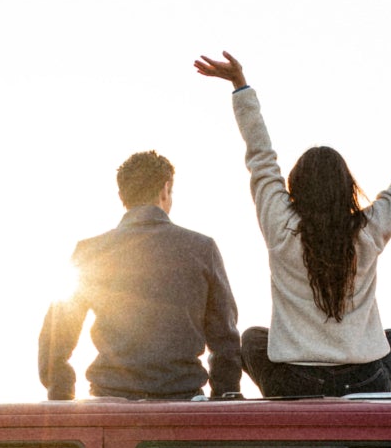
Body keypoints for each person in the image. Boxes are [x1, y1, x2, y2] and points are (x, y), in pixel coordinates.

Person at [193, 50, 391, 397]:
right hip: (365, 383)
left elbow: (261, 157)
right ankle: (372, 397)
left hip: (294, 384)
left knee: (253, 340)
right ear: (347, 188)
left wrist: (240, 85)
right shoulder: (369, 229)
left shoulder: (281, 227)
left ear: (295, 188)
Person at [38, 150, 242, 402]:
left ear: (122, 195)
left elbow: (56, 335)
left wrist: (62, 395)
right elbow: (225, 338)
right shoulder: (201, 248)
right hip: (182, 402)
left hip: (110, 401)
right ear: (165, 190)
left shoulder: (89, 251)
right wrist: (224, 394)